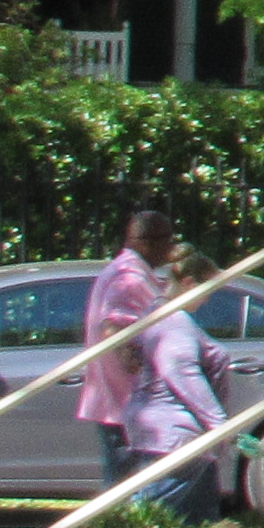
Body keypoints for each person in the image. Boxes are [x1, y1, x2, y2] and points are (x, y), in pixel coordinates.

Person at [122, 247, 237, 522]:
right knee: (149, 516)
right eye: (209, 290)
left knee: (197, 518)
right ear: (188, 284)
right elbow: (180, 370)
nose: (209, 299)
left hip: (165, 430)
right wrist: (220, 424)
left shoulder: (157, 311)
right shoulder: (175, 321)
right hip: (177, 433)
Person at [74, 207, 174, 488]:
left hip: (121, 400)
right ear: (145, 242)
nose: (172, 247)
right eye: (168, 239)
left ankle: (123, 524)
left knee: (126, 479)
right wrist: (142, 371)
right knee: (126, 483)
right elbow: (116, 330)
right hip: (127, 401)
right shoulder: (129, 280)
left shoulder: (125, 272)